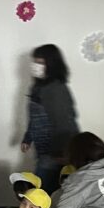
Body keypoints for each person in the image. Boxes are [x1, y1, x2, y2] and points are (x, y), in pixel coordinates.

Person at [20, 44, 79, 194]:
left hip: (55, 153)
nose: (36, 66)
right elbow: (35, 116)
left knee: (39, 194)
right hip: (43, 150)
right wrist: (28, 138)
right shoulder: (37, 87)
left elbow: (65, 122)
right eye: (35, 62)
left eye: (40, 62)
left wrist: (62, 153)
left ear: (52, 64)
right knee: (44, 192)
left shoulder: (56, 89)